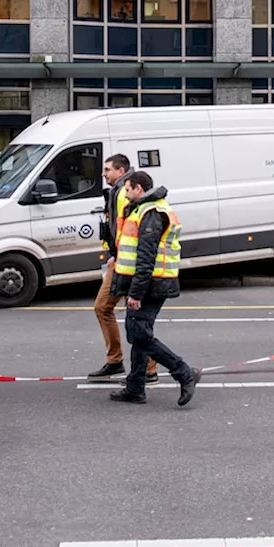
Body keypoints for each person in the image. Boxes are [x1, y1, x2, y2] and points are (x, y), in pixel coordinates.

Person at [107, 171, 202, 407]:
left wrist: (136, 294)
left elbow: (146, 257)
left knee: (138, 332)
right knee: (138, 333)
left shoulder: (151, 213)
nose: (125, 194)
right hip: (151, 281)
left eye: (127, 189)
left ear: (138, 188)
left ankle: (183, 372)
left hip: (152, 283)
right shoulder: (146, 209)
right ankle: (136, 387)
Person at [88, 154, 157, 383]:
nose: (103, 173)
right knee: (106, 309)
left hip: (126, 265)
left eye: (107, 169)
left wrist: (117, 256)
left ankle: (146, 368)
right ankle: (119, 362)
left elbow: (126, 229)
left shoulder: (123, 193)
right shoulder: (117, 191)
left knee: (124, 313)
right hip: (120, 261)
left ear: (121, 170)